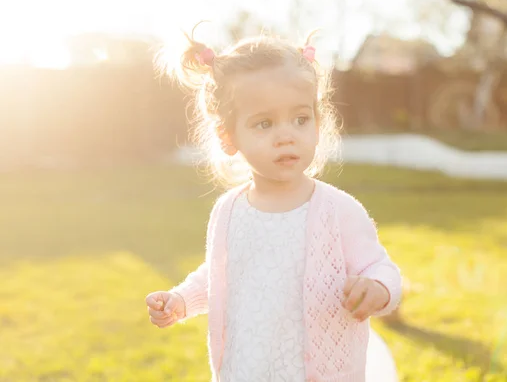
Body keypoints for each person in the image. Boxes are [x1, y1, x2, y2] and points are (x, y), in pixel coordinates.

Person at [145, 24, 402, 382]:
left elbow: (381, 267)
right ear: (228, 136)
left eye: (300, 119)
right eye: (264, 124)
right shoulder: (229, 212)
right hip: (247, 368)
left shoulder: (338, 210)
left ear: (317, 123)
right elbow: (219, 275)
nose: (286, 136)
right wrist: (181, 300)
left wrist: (378, 287)